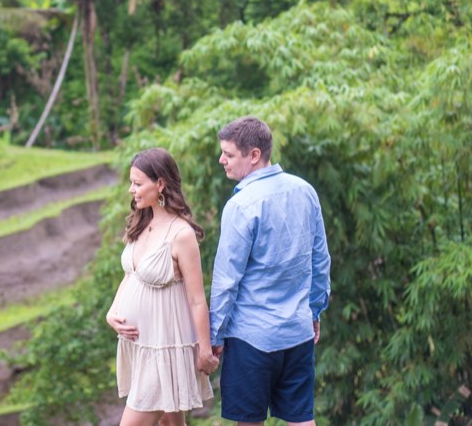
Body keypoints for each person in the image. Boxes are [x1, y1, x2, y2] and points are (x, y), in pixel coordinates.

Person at [209, 116, 332, 426]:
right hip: (298, 331)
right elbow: (320, 261)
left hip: (252, 339)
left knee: (249, 422)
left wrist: (214, 335)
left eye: (228, 154)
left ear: (254, 155)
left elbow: (227, 281)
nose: (221, 160)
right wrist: (314, 312)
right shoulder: (305, 191)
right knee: (302, 420)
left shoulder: (241, 205)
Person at [107, 147, 219, 426]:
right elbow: (130, 276)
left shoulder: (181, 234)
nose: (131, 190)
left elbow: (196, 299)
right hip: (141, 345)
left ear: (160, 184)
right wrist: (112, 313)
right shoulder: (141, 222)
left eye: (137, 183)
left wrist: (204, 350)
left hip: (166, 346)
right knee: (171, 424)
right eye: (131, 182)